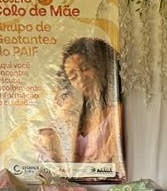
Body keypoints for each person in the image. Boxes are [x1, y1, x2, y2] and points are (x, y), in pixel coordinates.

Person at [36, 37, 125, 176]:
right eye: (73, 76)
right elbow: (50, 156)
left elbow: (109, 161)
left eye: (85, 68)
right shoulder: (72, 110)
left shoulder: (116, 112)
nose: (81, 79)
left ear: (101, 67)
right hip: (73, 186)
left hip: (102, 185)